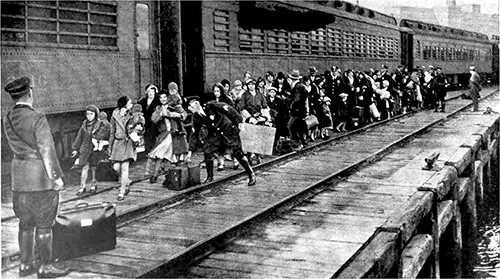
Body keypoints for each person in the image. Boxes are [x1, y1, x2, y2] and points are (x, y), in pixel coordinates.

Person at [3, 77, 70, 278]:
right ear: (30, 93)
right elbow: (47, 149)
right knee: (44, 224)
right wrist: (56, 177)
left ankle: (25, 266)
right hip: (40, 178)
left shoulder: (7, 117)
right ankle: (45, 267)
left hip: (19, 179)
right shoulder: (38, 117)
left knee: (24, 223)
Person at [187, 97, 256, 186]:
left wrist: (239, 121)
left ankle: (251, 173)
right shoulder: (196, 116)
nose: (190, 109)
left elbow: (227, 108)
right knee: (207, 151)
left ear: (197, 104)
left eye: (191, 107)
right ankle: (210, 177)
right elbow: (194, 132)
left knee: (237, 152)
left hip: (228, 130)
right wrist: (190, 150)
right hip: (216, 135)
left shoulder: (210, 105)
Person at [146, 90, 189, 183]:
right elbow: (153, 120)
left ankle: (159, 176)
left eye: (165, 97)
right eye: (161, 97)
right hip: (164, 134)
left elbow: (184, 114)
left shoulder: (173, 106)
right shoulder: (158, 109)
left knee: (166, 156)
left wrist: (177, 115)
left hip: (175, 134)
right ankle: (159, 176)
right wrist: (160, 114)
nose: (163, 99)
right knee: (163, 155)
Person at [72, 105, 109, 195]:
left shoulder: (100, 124)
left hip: (94, 149)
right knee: (84, 167)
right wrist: (75, 148)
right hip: (85, 149)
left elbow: (103, 134)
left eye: (91, 114)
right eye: (87, 114)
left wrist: (96, 138)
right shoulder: (84, 124)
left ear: (95, 114)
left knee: (93, 167)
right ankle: (82, 186)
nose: (89, 116)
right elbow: (79, 137)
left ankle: (93, 184)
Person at [109, 96, 135, 201]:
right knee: (116, 167)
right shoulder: (114, 115)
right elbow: (112, 131)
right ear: (124, 104)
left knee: (125, 167)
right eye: (130, 103)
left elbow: (139, 127)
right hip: (117, 143)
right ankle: (126, 181)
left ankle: (122, 191)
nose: (131, 105)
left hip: (128, 143)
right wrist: (110, 147)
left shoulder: (132, 115)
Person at [138, 84, 160, 153]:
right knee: (147, 136)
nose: (151, 93)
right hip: (146, 122)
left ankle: (154, 150)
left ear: (155, 92)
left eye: (152, 91)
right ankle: (148, 150)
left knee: (153, 136)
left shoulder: (157, 101)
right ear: (147, 92)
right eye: (149, 91)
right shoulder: (143, 101)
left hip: (154, 122)